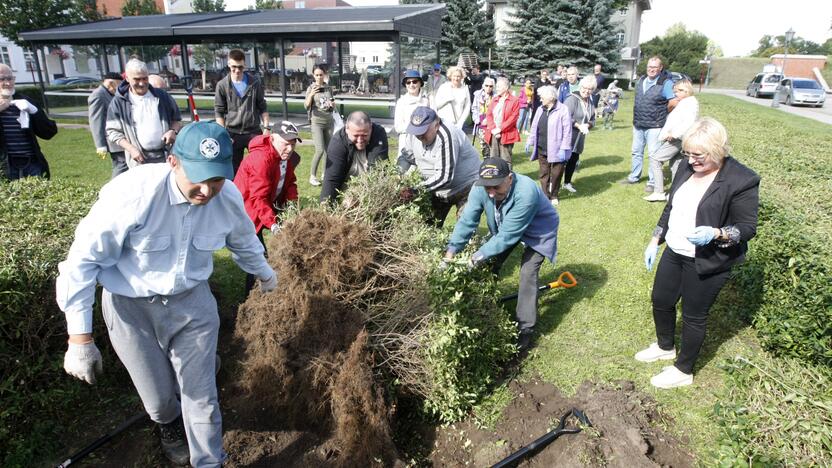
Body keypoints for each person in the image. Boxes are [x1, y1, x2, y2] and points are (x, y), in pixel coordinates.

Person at [56, 121, 278, 466]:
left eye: (216, 179)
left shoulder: (227, 196)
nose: (207, 190)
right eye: (199, 177)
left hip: (192, 305)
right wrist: (80, 339)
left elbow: (245, 241)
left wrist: (265, 275)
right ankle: (169, 423)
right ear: (173, 161)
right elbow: (82, 262)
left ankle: (208, 459)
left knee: (201, 396)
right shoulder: (132, 195)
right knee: (158, 400)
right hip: (131, 310)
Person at [638, 117, 759, 389]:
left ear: (717, 150)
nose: (691, 160)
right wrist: (655, 239)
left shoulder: (741, 179)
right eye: (687, 153)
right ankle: (665, 346)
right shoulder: (684, 167)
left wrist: (716, 233)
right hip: (675, 249)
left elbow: (747, 227)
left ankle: (683, 369)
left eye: (698, 155)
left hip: (707, 259)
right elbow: (671, 207)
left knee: (694, 315)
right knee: (661, 299)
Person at [444, 157, 559, 351]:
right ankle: (485, 306)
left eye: (496, 187)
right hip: (507, 226)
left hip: (539, 229)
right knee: (490, 263)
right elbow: (467, 221)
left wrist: (476, 257)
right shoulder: (481, 188)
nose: (490, 193)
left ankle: (525, 329)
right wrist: (450, 253)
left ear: (510, 178)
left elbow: (507, 236)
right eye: (487, 187)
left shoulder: (526, 192)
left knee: (527, 273)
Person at [234, 121, 301, 291]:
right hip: (245, 209)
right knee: (258, 256)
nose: (290, 149)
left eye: (293, 144)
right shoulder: (261, 159)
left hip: (265, 205)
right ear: (272, 138)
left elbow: (290, 182)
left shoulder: (286, 156)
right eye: (286, 144)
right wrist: (272, 224)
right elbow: (258, 198)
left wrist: (291, 207)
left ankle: (271, 289)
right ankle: (251, 299)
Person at [397, 106, 480, 227]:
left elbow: (444, 177)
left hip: (466, 186)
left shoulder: (446, 135)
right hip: (436, 188)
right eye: (416, 131)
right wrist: (397, 176)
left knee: (465, 228)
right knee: (427, 227)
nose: (419, 136)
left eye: (423, 131)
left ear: (436, 125)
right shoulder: (414, 134)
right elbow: (406, 157)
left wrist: (414, 190)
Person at [107, 59, 182, 169]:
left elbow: (177, 120)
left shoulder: (162, 96)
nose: (142, 83)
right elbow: (112, 131)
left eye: (144, 78)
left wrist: (173, 131)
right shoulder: (119, 102)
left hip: (166, 156)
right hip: (139, 160)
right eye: (137, 79)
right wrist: (131, 149)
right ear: (127, 79)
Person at [621, 56, 676, 191]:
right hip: (639, 123)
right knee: (636, 152)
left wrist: (663, 111)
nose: (651, 70)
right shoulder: (641, 80)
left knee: (653, 154)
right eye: (649, 67)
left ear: (660, 68)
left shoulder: (666, 83)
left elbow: (673, 102)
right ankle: (634, 177)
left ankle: (652, 182)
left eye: (654, 67)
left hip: (655, 125)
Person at [214, 49, 270, 175]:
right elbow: (219, 111)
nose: (237, 70)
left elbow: (262, 106)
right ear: (228, 64)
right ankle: (236, 194)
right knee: (233, 170)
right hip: (232, 133)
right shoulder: (222, 85)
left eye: (240, 67)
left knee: (260, 167)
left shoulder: (254, 82)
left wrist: (266, 128)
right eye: (234, 67)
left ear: (244, 65)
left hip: (253, 131)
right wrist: (223, 133)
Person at [0, 63, 57, 180]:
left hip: (32, 164)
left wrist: (34, 111)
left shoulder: (25, 101)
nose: (7, 83)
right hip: (5, 166)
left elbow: (48, 132)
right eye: (1, 79)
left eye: (10, 78)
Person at [645, 79, 699, 202]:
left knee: (655, 159)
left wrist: (674, 134)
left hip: (678, 139)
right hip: (680, 138)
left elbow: (688, 123)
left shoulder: (689, 103)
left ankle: (658, 191)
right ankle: (675, 194)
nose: (676, 94)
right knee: (675, 166)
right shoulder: (686, 102)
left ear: (686, 90)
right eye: (675, 92)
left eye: (678, 91)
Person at [319, 111, 389, 203]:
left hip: (369, 182)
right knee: (347, 203)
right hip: (347, 180)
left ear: (370, 128)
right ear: (347, 129)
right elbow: (332, 179)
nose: (360, 140)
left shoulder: (378, 133)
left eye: (364, 135)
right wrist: (325, 207)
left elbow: (378, 170)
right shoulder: (337, 143)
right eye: (356, 135)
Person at [526, 85, 572, 207]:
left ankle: (554, 195)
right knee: (543, 173)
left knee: (556, 174)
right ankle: (545, 196)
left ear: (551, 98)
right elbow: (534, 126)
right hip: (542, 146)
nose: (540, 100)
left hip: (557, 149)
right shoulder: (540, 109)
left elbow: (567, 131)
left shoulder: (563, 109)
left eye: (542, 98)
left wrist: (564, 147)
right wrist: (530, 141)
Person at [562, 75, 597, 194]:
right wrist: (578, 125)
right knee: (561, 162)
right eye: (585, 88)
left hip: (579, 138)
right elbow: (565, 116)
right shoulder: (572, 99)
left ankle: (567, 183)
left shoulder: (590, 102)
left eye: (590, 89)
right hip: (567, 136)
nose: (587, 91)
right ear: (580, 86)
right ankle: (553, 185)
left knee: (573, 160)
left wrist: (588, 125)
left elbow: (592, 119)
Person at [89, 72, 127, 178]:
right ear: (110, 83)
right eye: (118, 85)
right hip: (113, 141)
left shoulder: (109, 94)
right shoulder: (98, 95)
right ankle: (113, 191)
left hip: (119, 139)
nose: (119, 88)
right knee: (121, 166)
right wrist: (100, 145)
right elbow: (96, 121)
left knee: (123, 166)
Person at [304, 64, 335, 186]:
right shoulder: (311, 88)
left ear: (324, 75)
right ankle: (312, 176)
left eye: (321, 75)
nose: (319, 77)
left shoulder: (328, 88)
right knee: (320, 149)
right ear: (313, 75)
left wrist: (332, 105)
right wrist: (311, 95)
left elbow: (332, 102)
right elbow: (306, 105)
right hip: (316, 122)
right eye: (316, 75)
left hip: (328, 121)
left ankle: (325, 174)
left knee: (329, 150)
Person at [484, 76, 520, 166]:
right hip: (493, 134)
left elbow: (513, 118)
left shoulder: (514, 100)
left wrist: (500, 129)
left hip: (507, 134)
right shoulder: (495, 99)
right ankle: (495, 179)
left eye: (499, 86)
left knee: (506, 160)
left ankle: (508, 179)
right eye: (497, 86)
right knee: (494, 158)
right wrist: (493, 129)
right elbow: (489, 114)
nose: (497, 88)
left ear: (506, 87)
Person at [393, 69, 429, 137]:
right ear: (406, 85)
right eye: (408, 82)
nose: (411, 85)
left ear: (420, 83)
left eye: (414, 82)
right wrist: (416, 127)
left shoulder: (427, 101)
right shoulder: (401, 102)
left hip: (424, 139)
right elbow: (398, 127)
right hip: (406, 139)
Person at [471, 76, 495, 157]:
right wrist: (476, 119)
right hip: (481, 121)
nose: (488, 88)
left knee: (492, 144)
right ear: (483, 86)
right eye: (487, 85)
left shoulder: (495, 96)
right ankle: (486, 160)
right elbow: (474, 108)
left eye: (491, 86)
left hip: (492, 123)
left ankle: (492, 160)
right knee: (483, 144)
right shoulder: (478, 95)